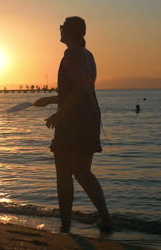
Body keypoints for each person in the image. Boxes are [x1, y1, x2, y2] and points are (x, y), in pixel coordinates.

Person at [34, 16, 112, 233]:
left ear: (69, 32)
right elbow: (81, 91)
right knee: (83, 172)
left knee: (64, 173)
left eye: (62, 28)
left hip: (74, 122)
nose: (59, 31)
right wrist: (49, 100)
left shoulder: (72, 54)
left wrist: (60, 116)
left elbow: (78, 90)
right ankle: (106, 220)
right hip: (90, 117)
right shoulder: (88, 55)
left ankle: (65, 226)